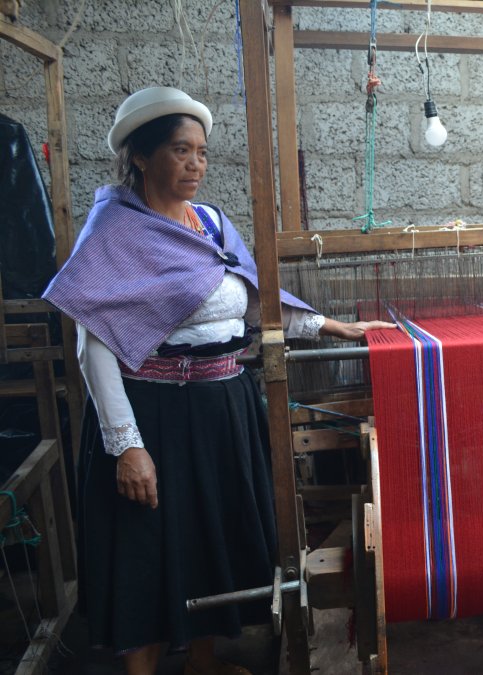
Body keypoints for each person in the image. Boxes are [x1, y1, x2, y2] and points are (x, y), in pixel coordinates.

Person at [43, 87, 391, 675]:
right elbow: (93, 343)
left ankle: (202, 663)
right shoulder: (116, 230)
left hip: (222, 408)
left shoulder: (209, 224)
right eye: (181, 151)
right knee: (146, 547)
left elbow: (253, 302)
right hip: (153, 412)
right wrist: (127, 445)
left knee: (211, 539)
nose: (196, 164)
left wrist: (338, 327)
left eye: (202, 152)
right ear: (141, 157)